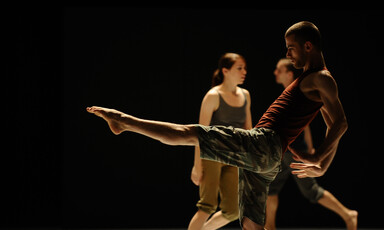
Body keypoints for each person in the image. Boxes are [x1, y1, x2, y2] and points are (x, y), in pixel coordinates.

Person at [86, 21, 348, 230]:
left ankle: (123, 121)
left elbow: (340, 123)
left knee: (190, 133)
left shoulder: (321, 78)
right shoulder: (316, 81)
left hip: (263, 143)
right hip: (269, 156)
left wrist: (320, 158)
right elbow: (333, 125)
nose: (287, 53)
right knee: (251, 223)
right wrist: (322, 164)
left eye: (291, 47)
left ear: (309, 46)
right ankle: (123, 122)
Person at [265, 58, 358, 230]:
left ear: (289, 73)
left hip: (294, 151)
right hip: (284, 150)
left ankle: (348, 214)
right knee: (271, 188)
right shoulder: (290, 91)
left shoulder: (300, 90)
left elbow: (328, 123)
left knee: (311, 190)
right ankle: (270, 227)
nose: (275, 73)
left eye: (279, 70)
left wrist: (312, 150)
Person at [189, 53, 253, 229]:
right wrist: (197, 164)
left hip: (234, 157)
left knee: (233, 210)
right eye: (239, 68)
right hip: (212, 156)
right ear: (225, 71)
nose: (244, 72)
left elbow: (248, 132)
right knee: (207, 206)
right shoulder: (213, 95)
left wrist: (249, 162)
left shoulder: (245, 95)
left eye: (245, 68)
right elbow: (198, 133)